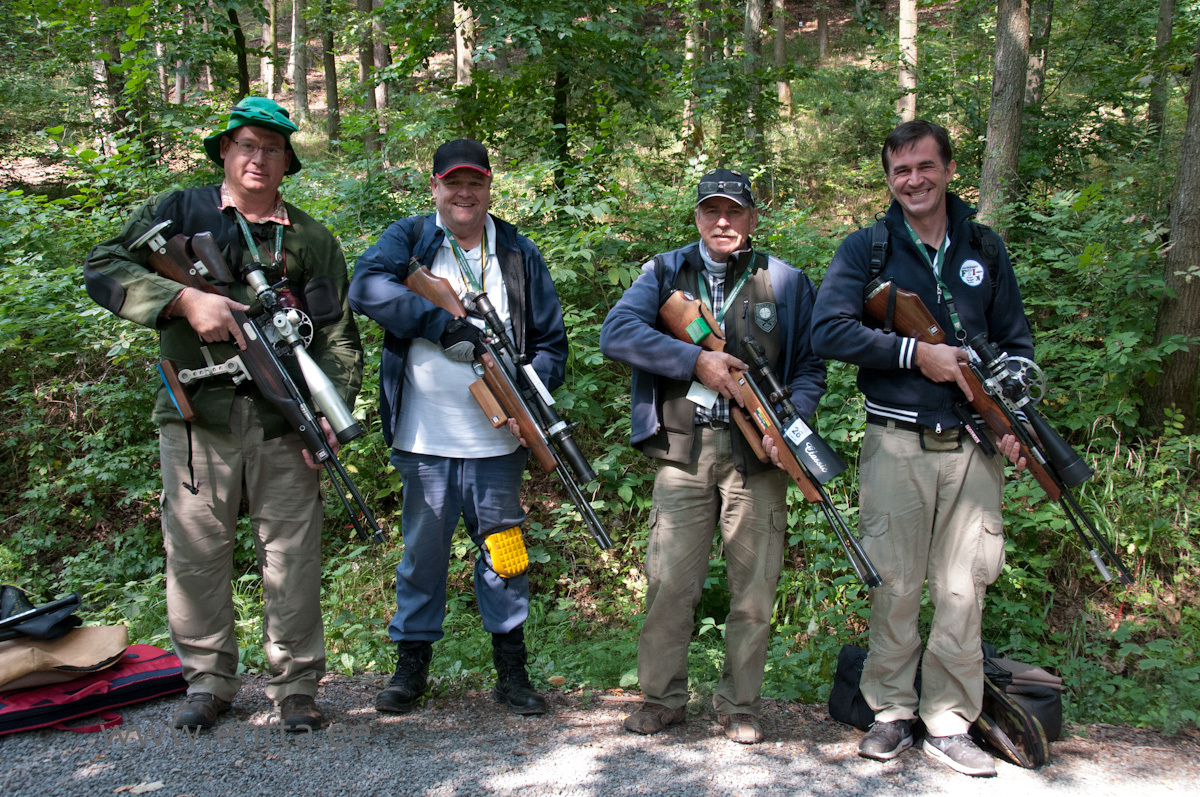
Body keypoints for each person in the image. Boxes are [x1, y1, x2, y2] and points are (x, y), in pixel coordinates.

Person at [83, 97, 364, 732]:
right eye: (247, 145)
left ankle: (296, 685)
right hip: (195, 418)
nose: (258, 158)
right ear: (225, 152)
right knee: (196, 554)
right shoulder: (178, 211)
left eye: (272, 149)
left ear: (287, 161)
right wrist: (183, 300)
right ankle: (208, 682)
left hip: (283, 421)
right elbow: (103, 266)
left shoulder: (313, 239)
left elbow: (337, 336)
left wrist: (331, 410)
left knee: (293, 556)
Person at [810, 120, 1031, 777]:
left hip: (973, 446)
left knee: (965, 587)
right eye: (900, 171)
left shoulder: (984, 247)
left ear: (949, 169)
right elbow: (828, 331)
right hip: (896, 441)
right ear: (888, 178)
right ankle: (891, 710)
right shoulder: (868, 248)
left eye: (925, 166)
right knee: (894, 583)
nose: (913, 180)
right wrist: (915, 353)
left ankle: (950, 721)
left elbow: (1016, 342)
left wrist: (1012, 416)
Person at [599, 169, 827, 744]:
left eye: (734, 211)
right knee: (670, 584)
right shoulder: (663, 271)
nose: (722, 221)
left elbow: (810, 367)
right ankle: (661, 699)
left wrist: (788, 426)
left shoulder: (787, 281)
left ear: (752, 217)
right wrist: (694, 361)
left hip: (759, 454)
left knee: (755, 589)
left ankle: (740, 706)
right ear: (697, 216)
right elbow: (616, 333)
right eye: (711, 211)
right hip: (685, 449)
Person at [349, 138, 567, 717]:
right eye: (453, 183)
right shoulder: (410, 239)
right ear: (435, 187)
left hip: (499, 441)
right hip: (423, 439)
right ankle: (411, 669)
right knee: (423, 557)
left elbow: (550, 343)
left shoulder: (517, 251)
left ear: (490, 186)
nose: (464, 193)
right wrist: (440, 324)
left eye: (475, 182)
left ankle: (512, 671)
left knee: (505, 556)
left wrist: (531, 402)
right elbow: (365, 287)